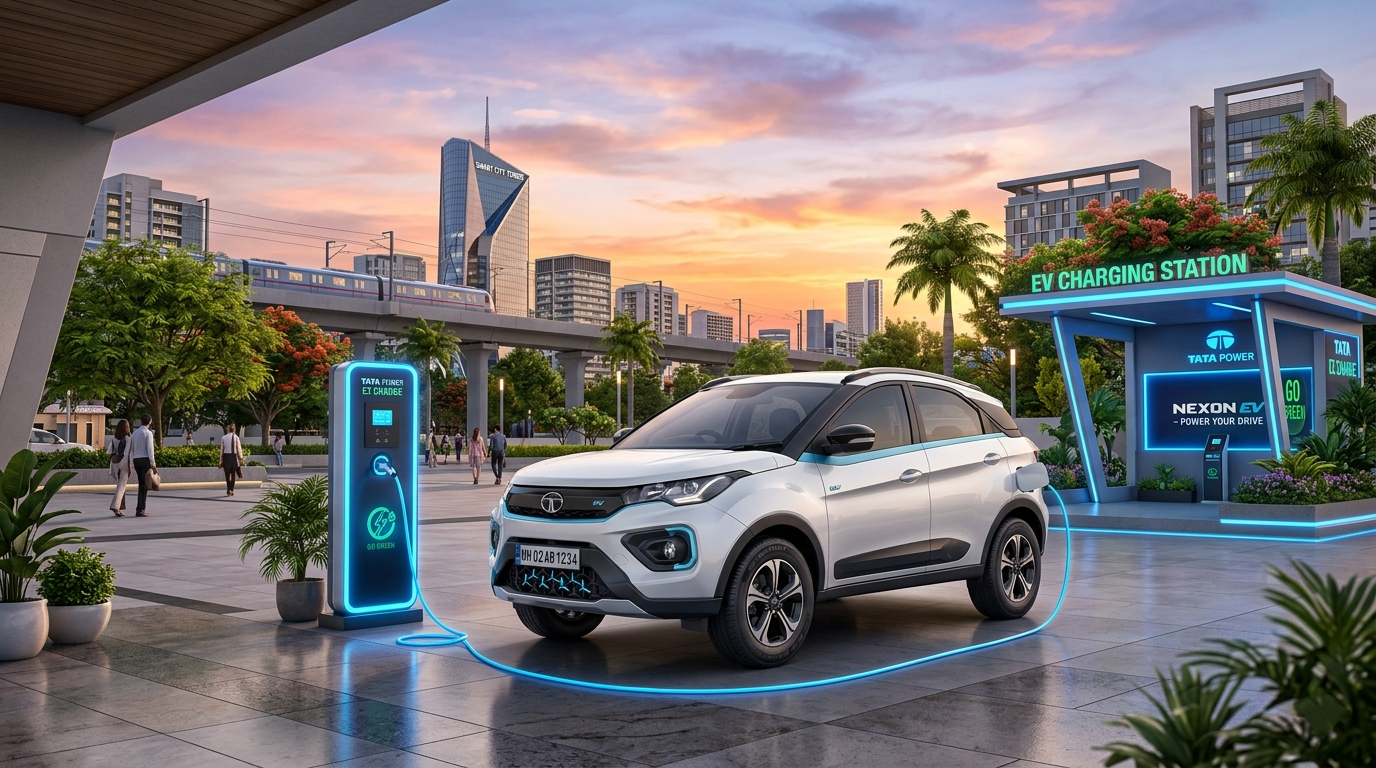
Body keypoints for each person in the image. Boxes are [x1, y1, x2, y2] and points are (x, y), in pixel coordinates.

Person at [130, 414, 156, 517]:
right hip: (145, 460)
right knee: (144, 486)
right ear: (149, 422)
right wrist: (153, 463)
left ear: (141, 421)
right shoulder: (148, 433)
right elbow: (150, 449)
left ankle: (139, 508)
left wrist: (131, 463)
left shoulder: (135, 433)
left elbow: (132, 448)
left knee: (141, 484)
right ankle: (141, 509)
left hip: (136, 460)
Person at [107, 419, 132, 517]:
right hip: (123, 462)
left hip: (114, 462)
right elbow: (126, 453)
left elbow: (110, 451)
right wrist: (129, 466)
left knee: (119, 485)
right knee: (122, 486)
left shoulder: (114, 438)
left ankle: (120, 507)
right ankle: (115, 506)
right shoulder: (128, 439)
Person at [220, 424, 244, 496]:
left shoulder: (223, 438)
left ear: (228, 429)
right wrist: (240, 458)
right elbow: (239, 448)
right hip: (233, 457)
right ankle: (231, 489)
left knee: (227, 475)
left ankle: (228, 489)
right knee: (233, 474)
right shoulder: (236, 437)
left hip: (226, 457)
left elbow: (222, 449)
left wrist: (221, 459)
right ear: (234, 430)